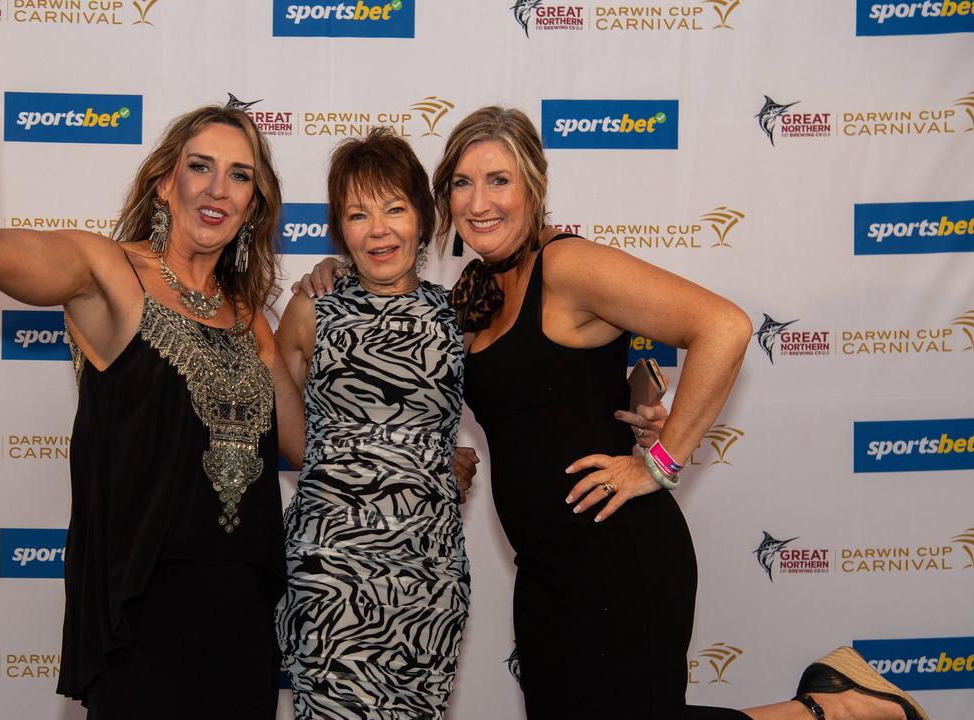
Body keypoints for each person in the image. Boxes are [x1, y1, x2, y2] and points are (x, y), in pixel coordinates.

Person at [296, 107, 928, 720]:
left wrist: (657, 461)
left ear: (533, 187)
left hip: (616, 557)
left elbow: (723, 326)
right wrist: (334, 269)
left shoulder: (565, 264)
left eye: (498, 180)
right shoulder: (476, 291)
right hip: (544, 570)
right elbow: (552, 387)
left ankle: (839, 708)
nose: (479, 201)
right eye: (463, 183)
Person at [0, 3, 304, 718]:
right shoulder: (109, 275)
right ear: (166, 183)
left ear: (253, 206)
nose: (218, 189)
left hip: (243, 620)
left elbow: (305, 442)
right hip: (140, 621)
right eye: (200, 168)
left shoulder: (251, 321)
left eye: (240, 176)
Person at [274, 129, 472, 719]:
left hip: (428, 573)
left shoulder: (459, 314)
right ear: (340, 228)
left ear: (424, 217)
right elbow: (283, 428)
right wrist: (373, 463)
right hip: (330, 570)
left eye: (395, 208)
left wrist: (434, 464)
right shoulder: (313, 308)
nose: (379, 230)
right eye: (358, 214)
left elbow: (526, 402)